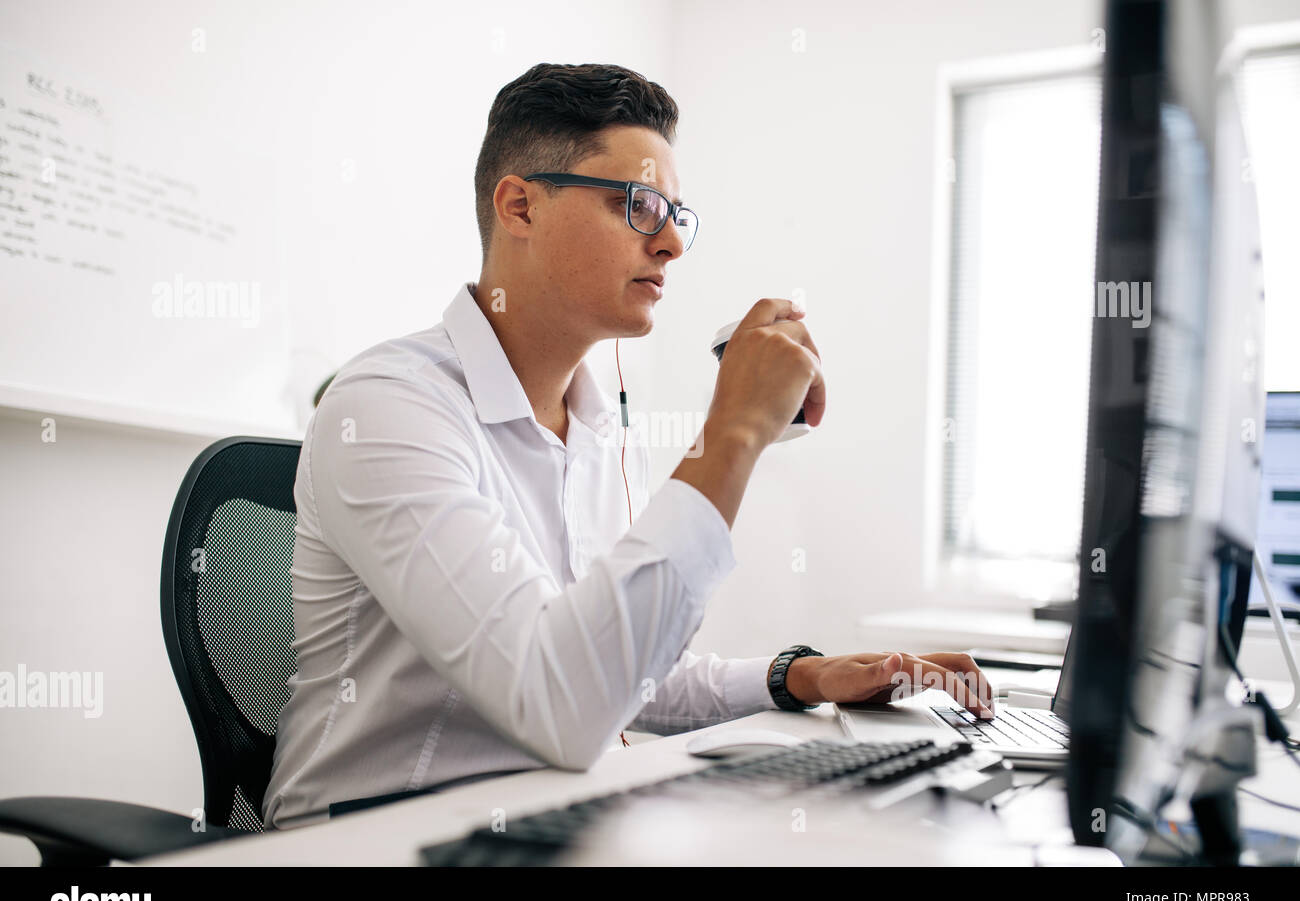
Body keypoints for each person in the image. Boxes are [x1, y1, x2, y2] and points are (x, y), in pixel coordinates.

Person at [262, 62, 994, 830]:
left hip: (549, 817)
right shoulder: (388, 406)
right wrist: (734, 432)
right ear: (519, 205)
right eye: (640, 206)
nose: (673, 242)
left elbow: (618, 673)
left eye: (677, 213)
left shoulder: (603, 429)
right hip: (378, 834)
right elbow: (558, 701)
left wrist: (801, 677)